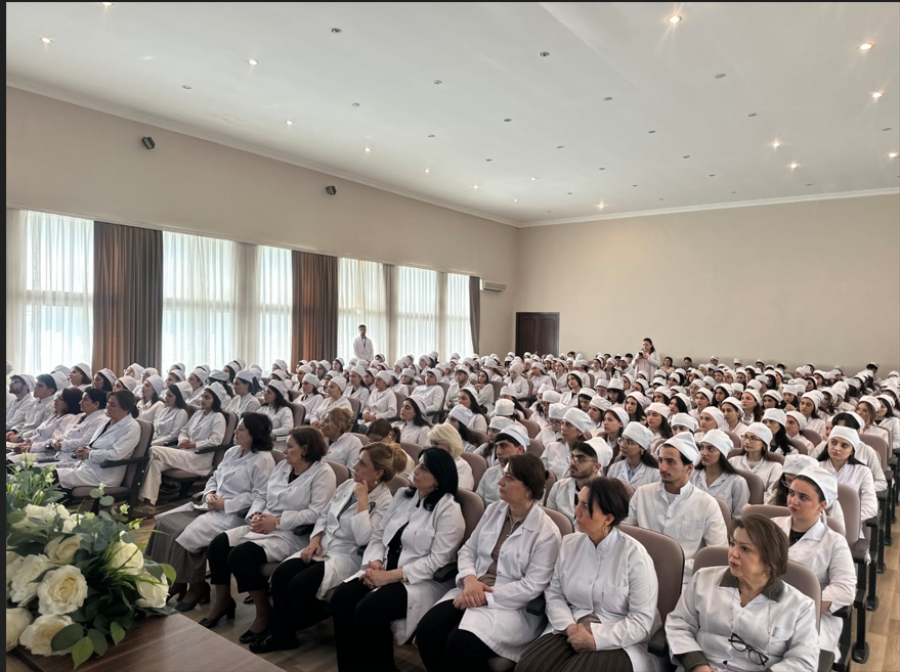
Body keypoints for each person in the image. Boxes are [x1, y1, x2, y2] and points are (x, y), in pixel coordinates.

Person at [250, 442, 408, 653]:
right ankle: (282, 633)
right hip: (323, 546)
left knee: (298, 584)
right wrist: (315, 540)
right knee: (281, 575)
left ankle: (285, 629)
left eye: (362, 464)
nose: (355, 466)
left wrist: (362, 503)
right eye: (357, 461)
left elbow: (364, 539)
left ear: (378, 472)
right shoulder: (347, 485)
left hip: (346, 555)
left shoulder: (385, 501)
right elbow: (324, 515)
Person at [417, 453, 561, 671]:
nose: (500, 482)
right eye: (503, 475)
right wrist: (470, 579)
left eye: (509, 478)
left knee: (460, 644)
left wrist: (484, 596)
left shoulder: (547, 532)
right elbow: (469, 550)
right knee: (428, 630)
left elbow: (532, 586)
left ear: (528, 489)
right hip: (471, 588)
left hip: (510, 605)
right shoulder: (494, 510)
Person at [331, 448, 465, 672]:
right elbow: (379, 535)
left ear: (439, 478)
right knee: (342, 598)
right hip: (382, 569)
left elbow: (437, 561)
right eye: (418, 464)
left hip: (419, 581)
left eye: (424, 468)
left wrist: (390, 576)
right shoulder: (404, 496)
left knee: (369, 609)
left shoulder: (448, 510)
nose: (417, 471)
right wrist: (375, 562)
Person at [202, 427, 337, 642]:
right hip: (265, 524)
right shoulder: (284, 466)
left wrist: (278, 522)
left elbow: (317, 513)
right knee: (218, 545)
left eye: (290, 447)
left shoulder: (323, 473)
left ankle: (264, 611)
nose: (284, 451)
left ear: (305, 449)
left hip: (292, 533)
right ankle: (223, 600)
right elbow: (263, 494)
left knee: (240, 556)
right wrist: (256, 514)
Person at [517, 478, 660, 672]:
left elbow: (641, 622)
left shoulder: (634, 556)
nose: (576, 511)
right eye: (578, 502)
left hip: (620, 639)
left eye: (585, 506)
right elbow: (555, 594)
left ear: (608, 518)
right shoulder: (568, 545)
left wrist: (596, 639)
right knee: (528, 668)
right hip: (572, 626)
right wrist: (570, 627)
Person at [145, 412, 277, 612]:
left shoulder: (263, 460)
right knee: (164, 524)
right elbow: (215, 477)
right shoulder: (233, 451)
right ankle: (176, 580)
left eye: (241, 429)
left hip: (234, 514)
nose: (235, 431)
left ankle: (197, 586)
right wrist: (209, 494)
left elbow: (260, 495)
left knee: (184, 535)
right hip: (212, 505)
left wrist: (226, 504)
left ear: (254, 435)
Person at [666, 515, 820, 672]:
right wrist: (698, 665)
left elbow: (802, 661)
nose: (733, 553)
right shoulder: (703, 579)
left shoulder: (800, 606)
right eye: (732, 544)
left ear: (770, 560)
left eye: (745, 549)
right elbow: (679, 626)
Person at [771, 466, 855, 658]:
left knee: (795, 657)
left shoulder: (834, 542)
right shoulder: (772, 526)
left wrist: (797, 606)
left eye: (803, 497)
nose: (793, 501)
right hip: (763, 604)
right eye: (792, 493)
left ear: (821, 505)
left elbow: (845, 589)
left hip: (810, 616)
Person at [623, 434, 728, 582]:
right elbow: (623, 535)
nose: (662, 468)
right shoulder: (643, 494)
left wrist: (671, 568)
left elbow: (716, 556)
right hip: (639, 574)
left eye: (671, 462)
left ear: (689, 468)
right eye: (660, 460)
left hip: (685, 580)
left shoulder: (707, 504)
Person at [136, 383, 228, 511]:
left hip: (199, 457)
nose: (202, 400)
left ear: (215, 400)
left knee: (153, 450)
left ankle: (135, 490)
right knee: (155, 463)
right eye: (202, 396)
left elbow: (216, 441)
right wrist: (183, 440)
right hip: (185, 452)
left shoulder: (218, 417)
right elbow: (184, 431)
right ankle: (148, 502)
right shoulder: (198, 414)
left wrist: (194, 444)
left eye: (207, 398)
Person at [55, 390, 143, 490]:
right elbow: (94, 444)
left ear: (125, 409)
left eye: (113, 405)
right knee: (48, 471)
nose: (108, 407)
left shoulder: (131, 427)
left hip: (104, 473)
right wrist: (84, 450)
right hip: (88, 466)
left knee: (54, 477)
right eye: (108, 403)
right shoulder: (108, 421)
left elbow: (115, 454)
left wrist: (89, 454)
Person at [817, 426, 877, 539]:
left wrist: (846, 521)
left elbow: (870, 506)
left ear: (852, 451)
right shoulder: (815, 468)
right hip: (816, 524)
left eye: (844, 446)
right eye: (833, 442)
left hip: (850, 529)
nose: (837, 448)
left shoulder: (863, 471)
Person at [692, 429, 750, 518]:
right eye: (702, 447)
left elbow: (739, 518)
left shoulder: (737, 482)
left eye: (710, 449)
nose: (703, 453)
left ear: (722, 453)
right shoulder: (693, 475)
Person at [546, 441, 603, 526]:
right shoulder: (559, 486)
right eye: (572, 457)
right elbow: (548, 521)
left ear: (596, 467)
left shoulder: (607, 495)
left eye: (580, 459)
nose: (572, 462)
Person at [475, 424, 529, 504]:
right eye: (496, 447)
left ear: (520, 449)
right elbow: (477, 504)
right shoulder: (490, 473)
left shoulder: (532, 478)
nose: (498, 452)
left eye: (503, 446)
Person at [51, 388, 109, 460]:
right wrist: (56, 441)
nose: (80, 402)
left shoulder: (100, 420)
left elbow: (85, 442)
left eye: (85, 400)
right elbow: (67, 434)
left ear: (96, 404)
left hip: (74, 459)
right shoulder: (80, 416)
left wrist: (62, 444)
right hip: (61, 455)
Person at [728, 422, 783, 493]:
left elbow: (772, 494)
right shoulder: (733, 461)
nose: (747, 441)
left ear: (764, 443)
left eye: (753, 438)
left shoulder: (775, 467)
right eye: (745, 437)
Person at [542, 407, 594, 480]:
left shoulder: (587, 455)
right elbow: (541, 473)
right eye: (562, 423)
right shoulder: (552, 447)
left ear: (580, 431)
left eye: (568, 425)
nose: (563, 428)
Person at [606, 423, 661, 489]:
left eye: (629, 442)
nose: (622, 445)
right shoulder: (614, 468)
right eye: (622, 439)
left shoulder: (654, 474)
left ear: (642, 448)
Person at [7, 373, 59, 441]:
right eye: (36, 385)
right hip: (20, 436)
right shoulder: (33, 403)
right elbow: (24, 422)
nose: (35, 388)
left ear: (50, 390)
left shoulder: (51, 407)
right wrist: (14, 431)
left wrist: (20, 437)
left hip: (31, 441)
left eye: (40, 386)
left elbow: (43, 429)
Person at [428, 422, 474, 489]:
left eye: (436, 443)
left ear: (450, 444)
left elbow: (457, 493)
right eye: (431, 443)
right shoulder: (429, 459)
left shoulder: (463, 467)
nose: (432, 447)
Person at [150, 382, 192, 446]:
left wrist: (153, 443)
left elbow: (173, 436)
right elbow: (156, 428)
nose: (166, 398)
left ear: (178, 398)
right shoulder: (165, 410)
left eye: (170, 396)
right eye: (166, 395)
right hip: (155, 441)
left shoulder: (181, 413)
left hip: (165, 444)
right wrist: (151, 439)